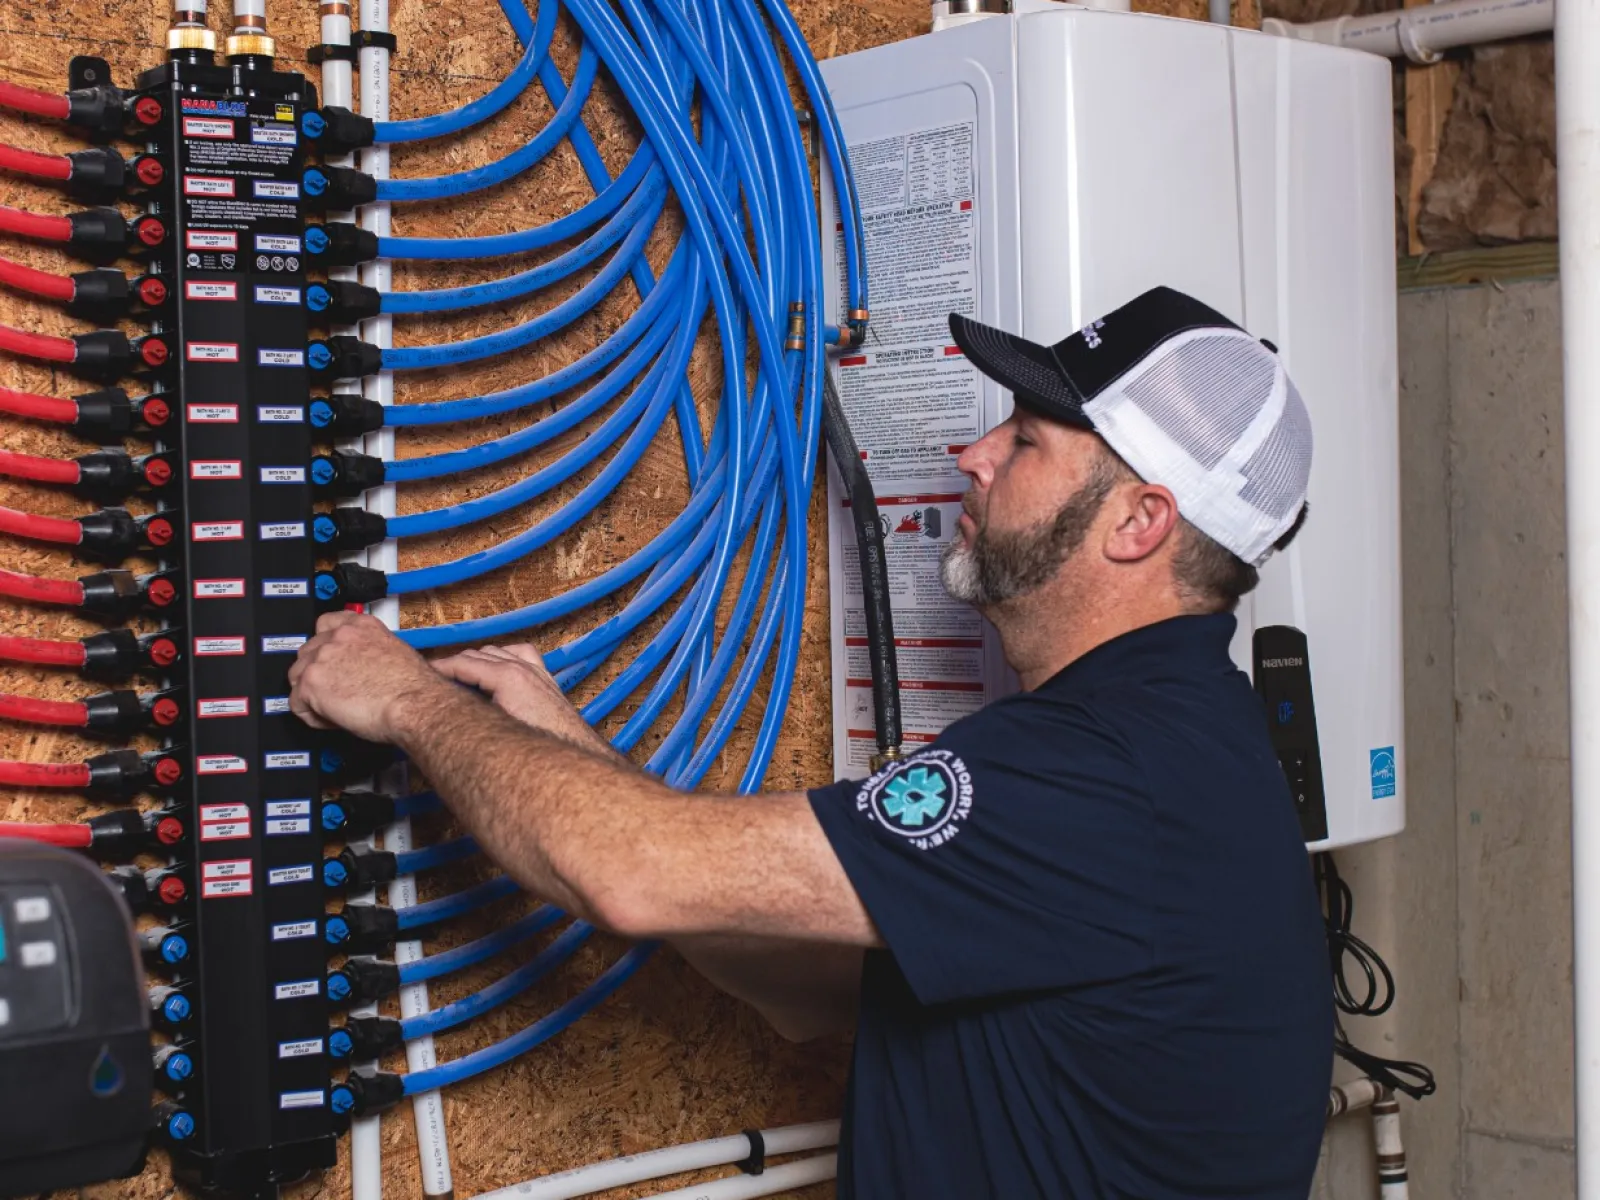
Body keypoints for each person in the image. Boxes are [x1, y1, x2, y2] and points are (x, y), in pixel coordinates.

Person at [289, 285, 1334, 1199]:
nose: (971, 455)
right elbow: (811, 990)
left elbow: (631, 877)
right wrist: (583, 763)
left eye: (1023, 443)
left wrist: (409, 705)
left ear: (1138, 523)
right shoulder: (1179, 744)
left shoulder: (1097, 773)